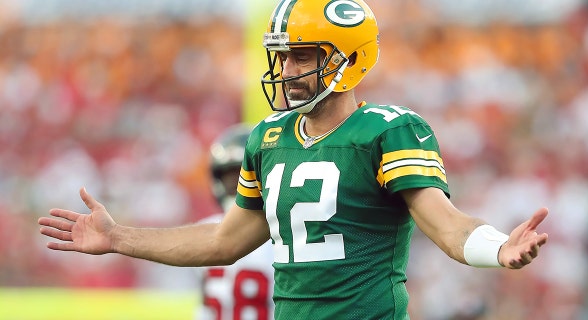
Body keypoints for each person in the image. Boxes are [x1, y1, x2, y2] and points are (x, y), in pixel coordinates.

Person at [38, 0, 549, 319]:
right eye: (282, 56)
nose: (287, 69)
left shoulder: (389, 130)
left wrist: (498, 248)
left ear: (349, 58)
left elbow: (448, 226)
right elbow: (223, 240)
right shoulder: (267, 137)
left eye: (302, 55)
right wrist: (119, 238)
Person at [195, 124, 274, 320]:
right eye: (230, 177)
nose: (235, 185)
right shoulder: (283, 232)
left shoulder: (204, 231)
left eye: (242, 177)